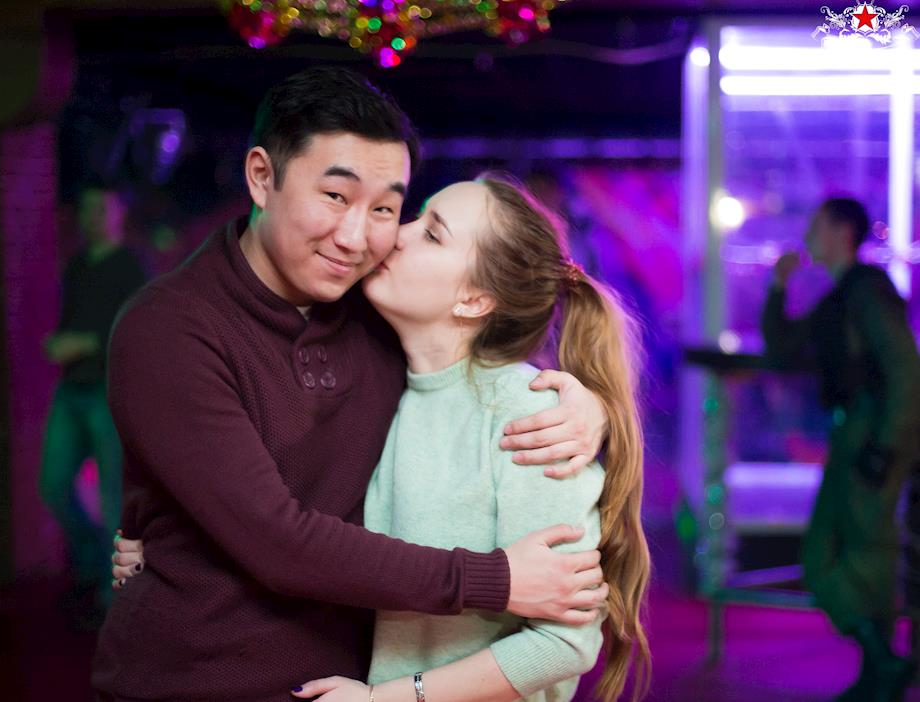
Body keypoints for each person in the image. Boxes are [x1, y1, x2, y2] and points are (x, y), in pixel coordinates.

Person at [93, 67, 611, 702]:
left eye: (386, 209)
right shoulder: (170, 327)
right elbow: (276, 540)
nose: (358, 237)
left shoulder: (379, 313)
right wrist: (496, 580)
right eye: (336, 196)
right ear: (262, 177)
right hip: (195, 681)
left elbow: (473, 371)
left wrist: (591, 410)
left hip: (352, 686)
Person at [761, 197, 920, 702]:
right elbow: (784, 347)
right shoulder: (844, 294)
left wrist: (887, 446)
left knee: (864, 551)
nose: (810, 234)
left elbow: (905, 370)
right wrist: (779, 286)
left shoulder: (865, 291)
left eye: (818, 224)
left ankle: (881, 672)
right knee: (828, 554)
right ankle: (881, 666)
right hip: (855, 432)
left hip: (870, 433)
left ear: (842, 231)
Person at [39, 185, 147, 629]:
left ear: (120, 213)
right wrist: (59, 343)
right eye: (85, 208)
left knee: (112, 497)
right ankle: (89, 567)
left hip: (107, 391)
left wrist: (85, 343)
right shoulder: (78, 266)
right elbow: (69, 319)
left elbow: (136, 330)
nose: (92, 217)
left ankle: (116, 593)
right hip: (71, 389)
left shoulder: (132, 267)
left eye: (101, 208)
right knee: (53, 486)